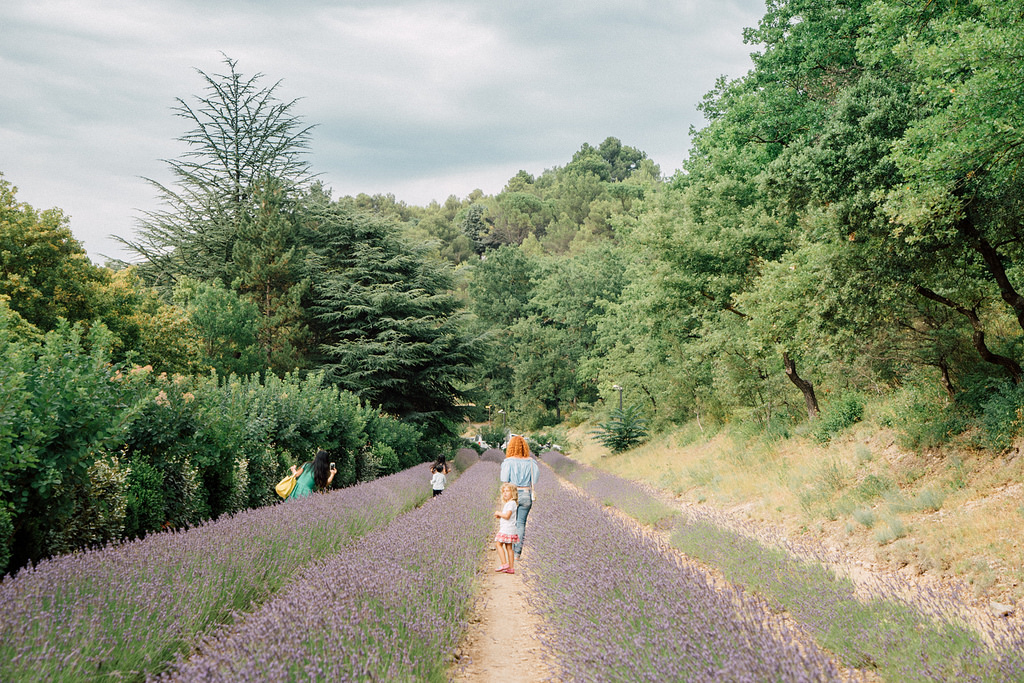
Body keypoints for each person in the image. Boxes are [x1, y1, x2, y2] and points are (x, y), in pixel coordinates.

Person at [499, 435, 539, 559]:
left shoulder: (508, 462)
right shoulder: (532, 462)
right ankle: (517, 553)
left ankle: (508, 549)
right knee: (521, 523)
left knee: (510, 522)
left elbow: (504, 479)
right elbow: (535, 480)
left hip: (513, 495)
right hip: (526, 494)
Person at [493, 482, 519, 573]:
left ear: (513, 493)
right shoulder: (511, 503)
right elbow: (508, 516)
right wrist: (501, 516)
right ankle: (511, 568)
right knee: (509, 547)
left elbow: (507, 516)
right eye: (503, 491)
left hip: (506, 528)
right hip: (511, 528)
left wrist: (498, 513)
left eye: (507, 491)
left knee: (498, 544)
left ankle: (504, 564)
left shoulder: (510, 504)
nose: (505, 493)